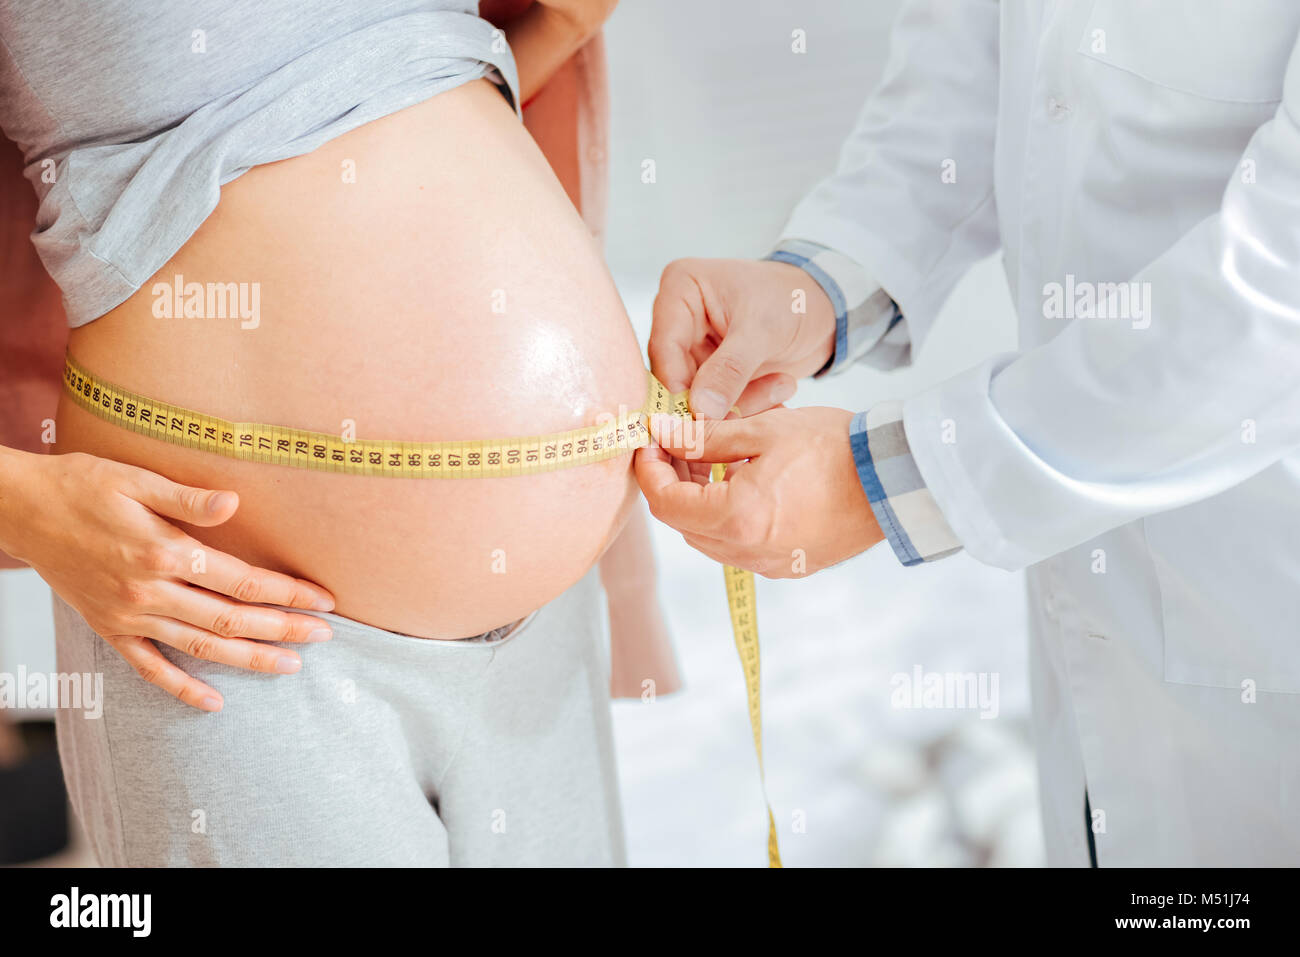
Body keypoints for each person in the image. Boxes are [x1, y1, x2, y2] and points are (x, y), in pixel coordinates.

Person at [0, 0, 671, 866]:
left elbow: (367, 110)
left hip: (545, 624)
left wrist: (558, 32)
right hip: (237, 618)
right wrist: (20, 503)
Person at [637, 0, 1300, 866]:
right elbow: (978, 77)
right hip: (1101, 614)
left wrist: (883, 477)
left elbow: (1279, 288)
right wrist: (821, 286)